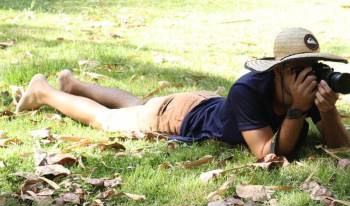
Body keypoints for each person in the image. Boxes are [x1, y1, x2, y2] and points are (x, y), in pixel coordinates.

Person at [16, 27, 350, 158]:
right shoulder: (248, 89)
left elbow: (339, 145)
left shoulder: (304, 89)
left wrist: (327, 110)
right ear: (277, 71)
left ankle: (74, 85)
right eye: (297, 69)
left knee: (140, 103)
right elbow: (268, 153)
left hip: (202, 102)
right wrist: (297, 112)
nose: (307, 75)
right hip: (182, 116)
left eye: (312, 66)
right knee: (107, 119)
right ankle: (44, 91)